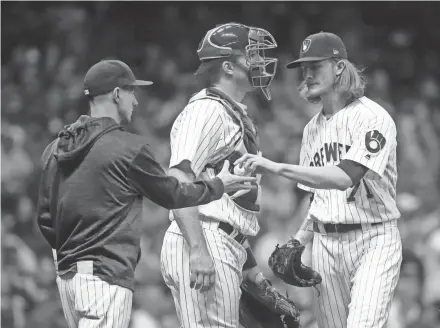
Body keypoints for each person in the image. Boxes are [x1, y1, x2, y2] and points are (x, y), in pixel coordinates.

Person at [36, 59, 256, 328]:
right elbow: (174, 194)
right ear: (117, 94)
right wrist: (218, 185)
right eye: (132, 92)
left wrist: (73, 254)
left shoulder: (55, 148)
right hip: (106, 276)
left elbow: (45, 219)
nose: (136, 102)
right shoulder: (128, 149)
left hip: (68, 278)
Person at [235, 32, 402, 328]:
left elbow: (343, 178)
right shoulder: (312, 130)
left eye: (316, 67)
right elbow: (320, 198)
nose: (308, 75)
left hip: (373, 238)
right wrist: (299, 238)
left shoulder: (373, 118)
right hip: (325, 244)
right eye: (305, 69)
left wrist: (275, 167)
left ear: (339, 67)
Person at [160, 22, 278, 328]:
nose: (259, 62)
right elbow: (178, 179)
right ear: (228, 65)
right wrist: (198, 249)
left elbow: (231, 205)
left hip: (222, 239)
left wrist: (250, 266)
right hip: (202, 237)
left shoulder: (230, 111)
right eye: (251, 55)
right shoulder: (207, 110)